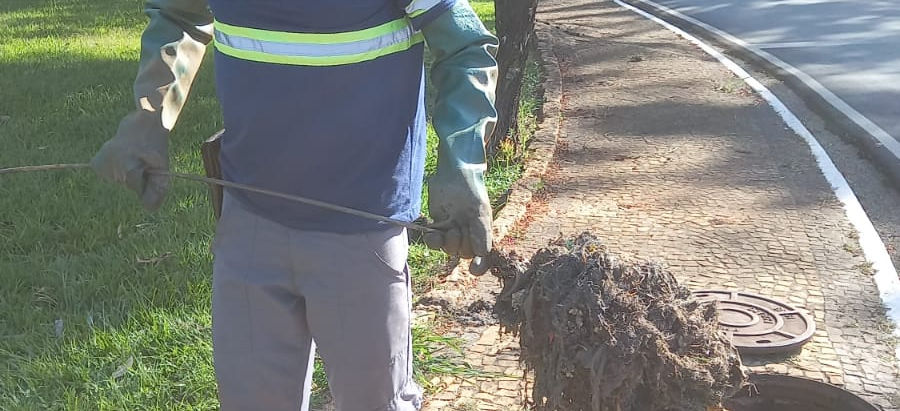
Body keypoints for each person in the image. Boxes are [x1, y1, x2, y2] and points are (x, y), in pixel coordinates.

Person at [90, 0, 498, 409]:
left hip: (362, 233)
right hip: (249, 222)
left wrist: (462, 163)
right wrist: (148, 116)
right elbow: (179, 16)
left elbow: (464, 47)